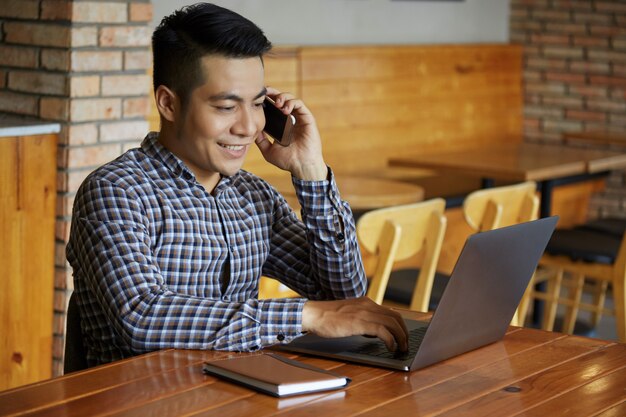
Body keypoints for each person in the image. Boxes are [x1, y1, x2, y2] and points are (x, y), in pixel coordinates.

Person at [66, 2, 408, 367]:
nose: (249, 127)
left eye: (258, 103)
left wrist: (311, 171)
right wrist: (308, 316)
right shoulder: (115, 192)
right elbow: (142, 316)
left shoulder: (254, 196)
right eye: (226, 107)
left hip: (238, 392)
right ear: (168, 103)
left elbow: (344, 294)